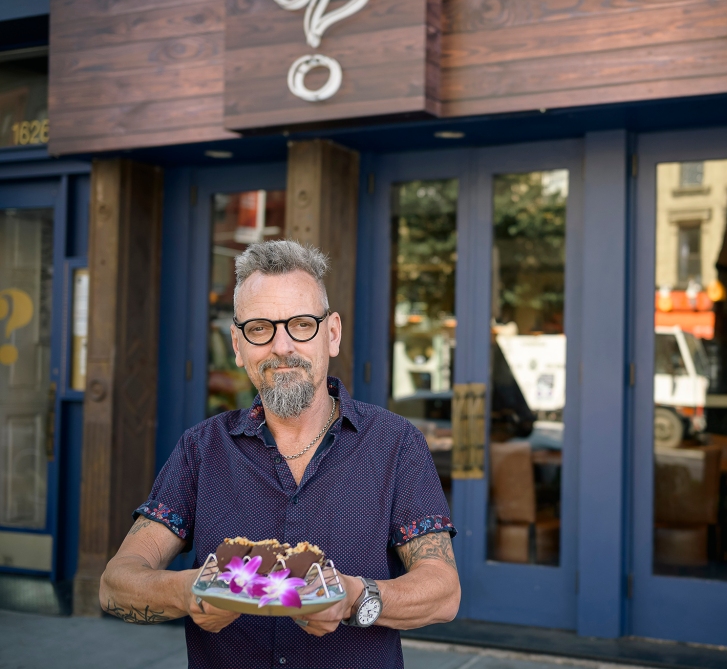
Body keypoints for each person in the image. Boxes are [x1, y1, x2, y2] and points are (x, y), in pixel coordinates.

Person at [99, 240, 460, 668]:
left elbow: (442, 592)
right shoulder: (201, 449)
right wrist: (190, 591)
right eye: (259, 329)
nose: (282, 346)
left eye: (302, 324)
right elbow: (116, 583)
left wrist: (350, 598)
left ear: (332, 334)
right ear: (237, 344)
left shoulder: (396, 444)